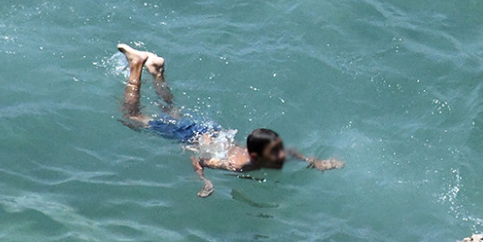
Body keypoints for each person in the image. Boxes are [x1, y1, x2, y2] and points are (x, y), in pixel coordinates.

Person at [117, 43, 342, 197]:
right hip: (192, 136)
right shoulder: (236, 165)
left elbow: (293, 153)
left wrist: (317, 162)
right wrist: (205, 181)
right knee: (131, 116)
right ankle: (136, 65)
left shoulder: (273, 153)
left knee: (171, 113)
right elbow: (199, 159)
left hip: (211, 131)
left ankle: (157, 72)